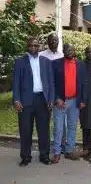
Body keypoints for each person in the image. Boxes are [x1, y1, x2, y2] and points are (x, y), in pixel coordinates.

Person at [12, 37, 55, 166]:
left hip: (42, 99)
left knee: (43, 130)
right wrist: (16, 99)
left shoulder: (46, 62)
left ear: (39, 47)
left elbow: (51, 82)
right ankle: (26, 156)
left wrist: (51, 99)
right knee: (25, 130)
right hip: (26, 100)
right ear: (27, 47)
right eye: (31, 46)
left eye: (36, 46)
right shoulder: (20, 62)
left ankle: (44, 156)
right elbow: (16, 82)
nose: (33, 48)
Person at [51, 44, 85, 163]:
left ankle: (69, 150)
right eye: (67, 49)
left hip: (74, 101)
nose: (70, 51)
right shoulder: (55, 63)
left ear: (74, 50)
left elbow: (83, 84)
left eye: (72, 49)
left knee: (72, 126)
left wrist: (82, 100)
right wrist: (56, 99)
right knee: (59, 128)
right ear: (63, 51)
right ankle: (56, 152)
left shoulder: (80, 64)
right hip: (61, 101)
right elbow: (51, 83)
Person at [39, 34, 67, 154]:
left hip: (59, 95)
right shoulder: (41, 55)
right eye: (51, 40)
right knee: (45, 122)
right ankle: (45, 147)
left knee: (61, 124)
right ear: (48, 42)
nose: (53, 42)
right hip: (45, 94)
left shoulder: (62, 56)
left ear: (58, 41)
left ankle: (62, 145)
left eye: (55, 40)